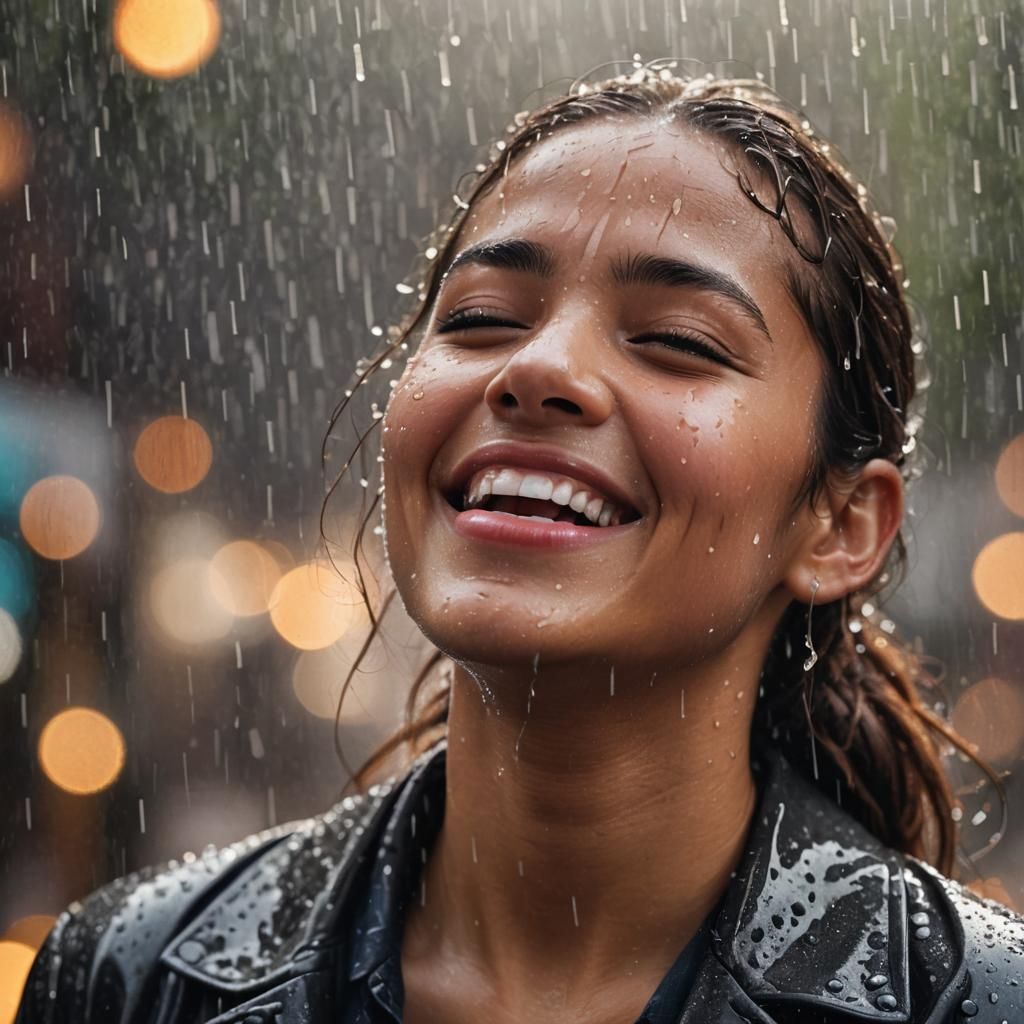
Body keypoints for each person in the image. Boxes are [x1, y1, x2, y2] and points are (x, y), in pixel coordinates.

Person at [16, 66, 1024, 1024]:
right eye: (483, 318)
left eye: (676, 339)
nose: (538, 367)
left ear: (842, 526)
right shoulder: (128, 977)